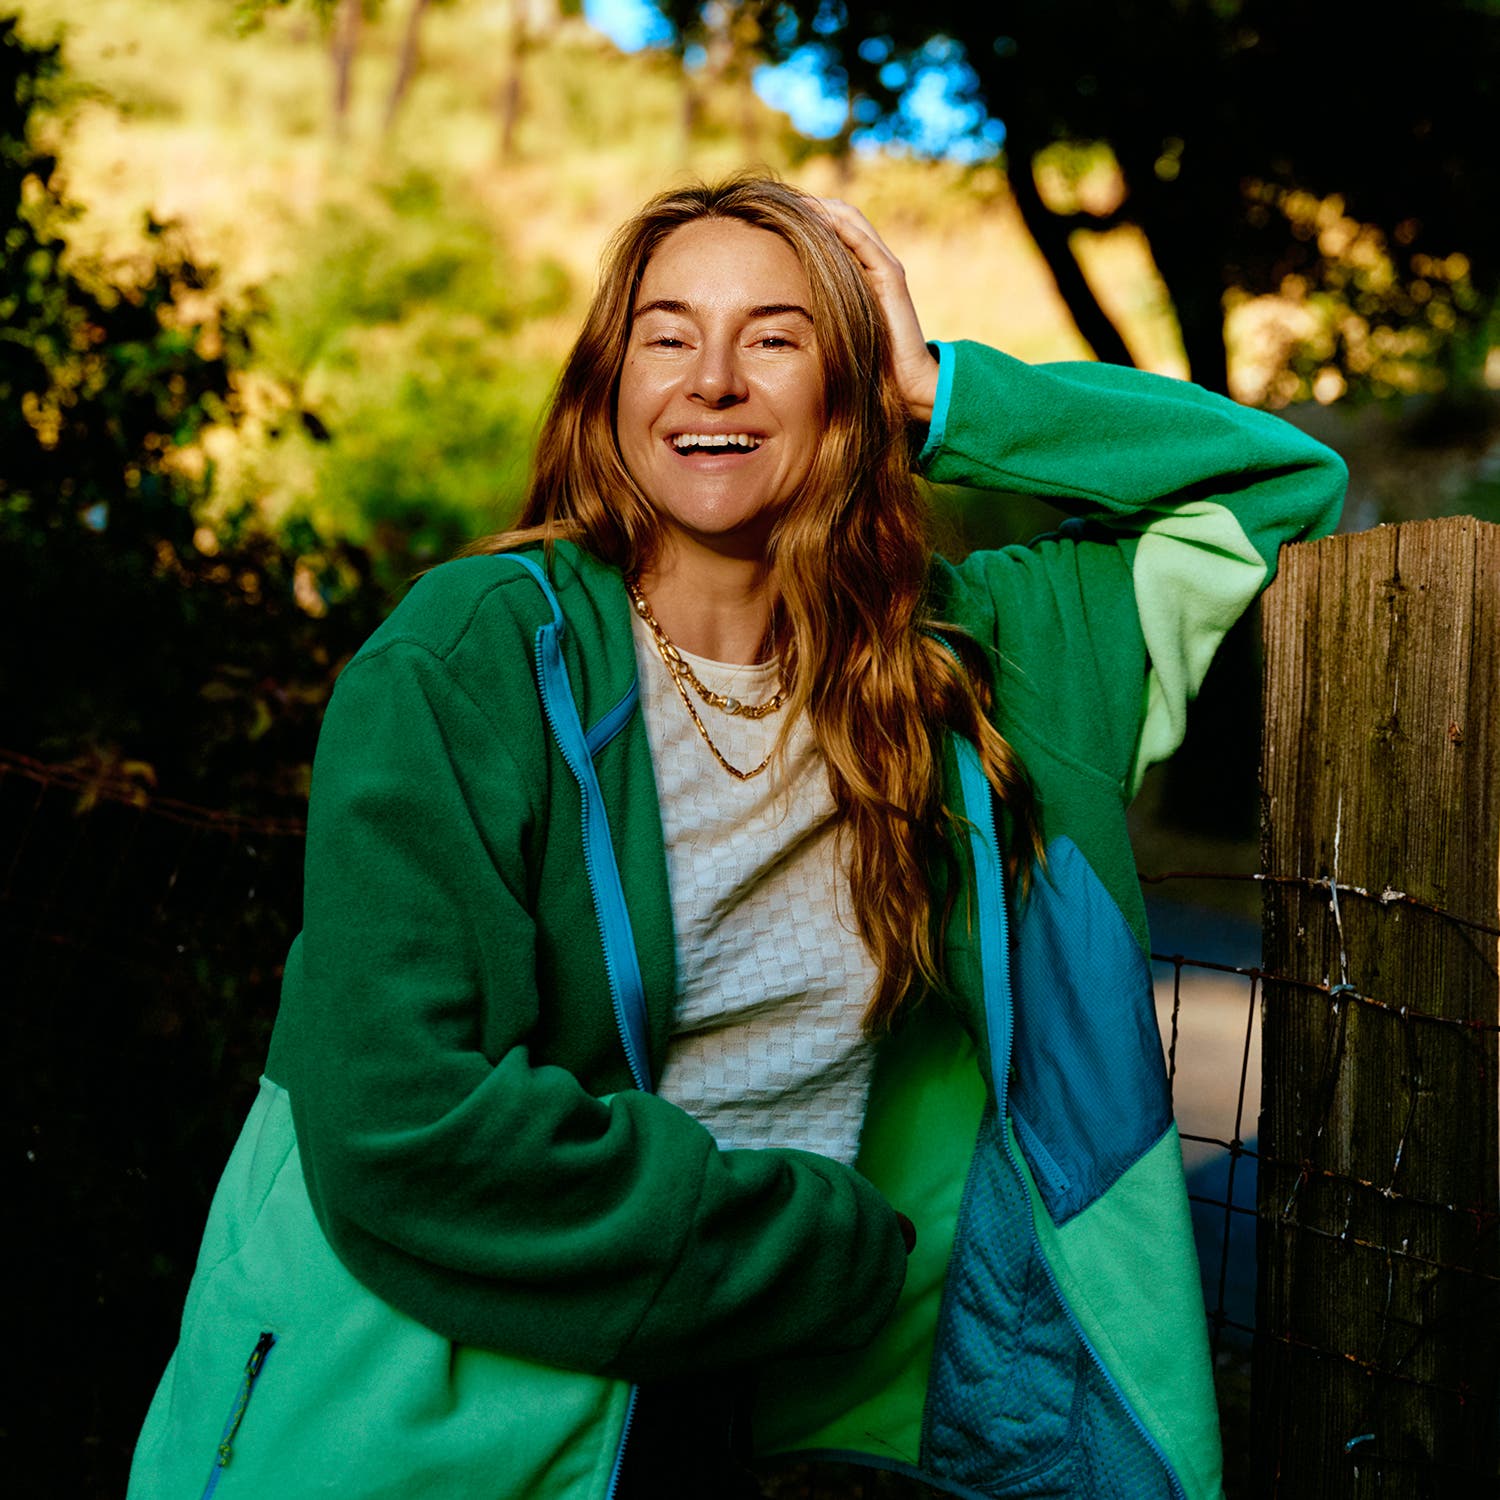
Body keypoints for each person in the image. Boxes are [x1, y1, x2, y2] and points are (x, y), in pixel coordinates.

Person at [129, 175, 1345, 1500]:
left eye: (774, 337)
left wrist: (941, 392)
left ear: (848, 391)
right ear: (607, 387)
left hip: (772, 1417)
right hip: (435, 1403)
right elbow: (403, 1116)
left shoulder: (971, 668)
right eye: (667, 335)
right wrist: (812, 1242)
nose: (712, 379)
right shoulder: (473, 651)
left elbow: (1279, 483)